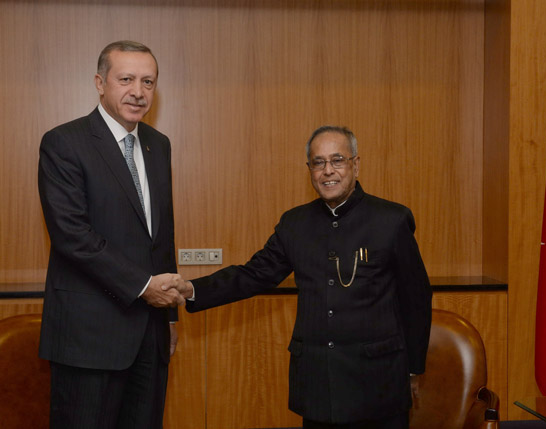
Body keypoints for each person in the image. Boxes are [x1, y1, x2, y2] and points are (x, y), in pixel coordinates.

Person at [171, 126, 432, 428]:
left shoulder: (392, 220)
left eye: (337, 160)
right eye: (318, 162)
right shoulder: (295, 224)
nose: (327, 171)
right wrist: (192, 289)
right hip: (319, 385)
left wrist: (412, 369)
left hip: (378, 383)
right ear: (309, 169)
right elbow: (254, 274)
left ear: (356, 165)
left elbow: (416, 297)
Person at [38, 40, 185, 429]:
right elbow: (72, 235)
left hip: (149, 336)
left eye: (148, 81)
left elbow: (161, 235)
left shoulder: (159, 145)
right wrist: (143, 285)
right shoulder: (64, 143)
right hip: (88, 337)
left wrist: (169, 316)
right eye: (126, 79)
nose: (138, 91)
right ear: (100, 83)